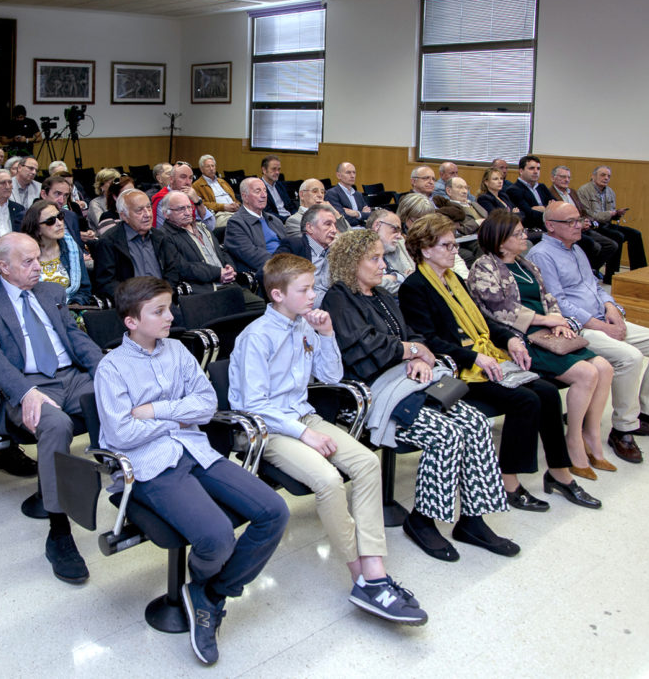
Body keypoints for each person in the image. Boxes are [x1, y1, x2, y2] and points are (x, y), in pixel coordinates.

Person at [94, 276, 289, 665]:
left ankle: (209, 592)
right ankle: (206, 590)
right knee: (217, 538)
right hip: (151, 466)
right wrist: (176, 419)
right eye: (159, 311)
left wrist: (157, 411)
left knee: (274, 512)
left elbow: (204, 405)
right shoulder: (111, 369)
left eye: (169, 308)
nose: (170, 316)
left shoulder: (179, 351)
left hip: (196, 451)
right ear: (131, 321)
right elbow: (121, 432)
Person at [230, 253, 428, 623]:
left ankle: (374, 568)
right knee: (328, 480)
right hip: (268, 428)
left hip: (303, 415)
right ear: (276, 295)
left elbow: (331, 375)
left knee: (367, 464)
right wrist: (305, 434)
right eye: (304, 290)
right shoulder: (255, 337)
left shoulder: (306, 326)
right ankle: (362, 577)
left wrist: (326, 335)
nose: (312, 296)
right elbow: (255, 405)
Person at [321, 230, 521, 561]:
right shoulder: (338, 298)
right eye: (374, 258)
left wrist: (416, 354)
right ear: (350, 262)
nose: (383, 264)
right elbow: (363, 349)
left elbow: (411, 335)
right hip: (371, 393)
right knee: (446, 433)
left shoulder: (383, 296)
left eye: (382, 256)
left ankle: (473, 519)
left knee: (475, 423)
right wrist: (412, 350)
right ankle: (423, 521)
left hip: (409, 383)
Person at [399, 213, 601, 514]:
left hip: (484, 359)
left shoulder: (455, 280)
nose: (455, 251)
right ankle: (509, 483)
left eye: (455, 245)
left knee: (545, 391)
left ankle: (560, 473)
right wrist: (475, 356)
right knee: (525, 400)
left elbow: (485, 323)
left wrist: (509, 340)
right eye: (448, 246)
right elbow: (429, 340)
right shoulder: (415, 287)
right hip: (457, 370)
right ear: (426, 250)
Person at [0, 232, 103, 584]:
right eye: (29, 262)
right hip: (29, 384)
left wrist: (106, 372)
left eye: (38, 258)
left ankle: (144, 492)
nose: (38, 266)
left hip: (71, 376)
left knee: (121, 400)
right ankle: (59, 532)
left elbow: (75, 337)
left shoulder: (51, 293)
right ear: (3, 267)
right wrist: (25, 392)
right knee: (55, 425)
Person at [527, 201, 649, 464]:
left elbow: (596, 286)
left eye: (579, 219)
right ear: (551, 226)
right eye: (570, 222)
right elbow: (558, 303)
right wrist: (602, 326)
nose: (579, 225)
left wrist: (613, 307)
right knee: (630, 357)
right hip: (577, 327)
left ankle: (647, 416)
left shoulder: (576, 249)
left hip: (604, 319)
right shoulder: (542, 255)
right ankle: (623, 429)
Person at [466, 210, 617, 479]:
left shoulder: (526, 264)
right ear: (501, 241)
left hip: (547, 330)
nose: (525, 236)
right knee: (587, 373)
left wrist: (557, 320)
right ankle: (572, 442)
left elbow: (549, 297)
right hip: (518, 337)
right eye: (518, 234)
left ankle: (591, 435)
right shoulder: (484, 267)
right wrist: (545, 320)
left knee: (604, 367)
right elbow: (499, 311)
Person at [93, 189, 177, 297]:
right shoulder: (108, 242)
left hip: (163, 299)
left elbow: (172, 271)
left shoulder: (161, 237)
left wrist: (166, 293)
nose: (147, 214)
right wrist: (134, 299)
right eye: (139, 211)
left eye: (149, 208)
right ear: (124, 216)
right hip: (132, 304)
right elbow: (106, 283)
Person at [576, 166, 647, 282]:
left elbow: (611, 214)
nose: (606, 178)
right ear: (593, 176)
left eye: (608, 176)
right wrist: (610, 213)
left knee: (635, 234)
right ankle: (611, 274)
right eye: (602, 175)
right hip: (594, 225)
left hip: (606, 224)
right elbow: (589, 214)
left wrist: (617, 213)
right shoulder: (584, 191)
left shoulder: (610, 192)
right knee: (618, 236)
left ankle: (639, 270)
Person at [20, 199, 92, 305]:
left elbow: (84, 289)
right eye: (50, 221)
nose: (59, 223)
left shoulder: (71, 247)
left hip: (71, 308)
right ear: (37, 229)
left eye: (60, 217)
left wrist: (74, 306)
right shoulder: (23, 254)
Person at [275, 203, 339, 307]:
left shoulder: (336, 249)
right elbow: (269, 273)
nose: (334, 230)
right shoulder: (294, 246)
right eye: (328, 224)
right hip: (305, 306)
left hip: (334, 303)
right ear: (310, 227)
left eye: (335, 225)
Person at [223, 177, 288, 275]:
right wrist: (284, 264)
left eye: (265, 191)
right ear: (245, 197)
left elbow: (287, 244)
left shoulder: (274, 220)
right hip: (268, 271)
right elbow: (251, 255)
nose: (264, 195)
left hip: (287, 266)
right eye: (258, 191)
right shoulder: (236, 223)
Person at [151, 161, 215, 230]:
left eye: (190, 178)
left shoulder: (192, 196)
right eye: (183, 177)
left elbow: (210, 226)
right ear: (171, 179)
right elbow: (170, 231)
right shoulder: (163, 199)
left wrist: (198, 202)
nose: (188, 182)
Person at [368, 209, 413, 295]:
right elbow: (374, 285)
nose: (399, 236)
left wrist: (395, 277)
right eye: (395, 229)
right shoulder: (360, 250)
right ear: (377, 226)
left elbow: (412, 274)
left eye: (400, 231)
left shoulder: (398, 245)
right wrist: (401, 277)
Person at [506, 155, 553, 231]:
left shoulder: (542, 187)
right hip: (532, 230)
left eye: (538, 169)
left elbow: (557, 205)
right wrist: (549, 209)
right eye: (531, 168)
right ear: (521, 171)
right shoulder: (514, 190)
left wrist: (542, 208)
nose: (535, 171)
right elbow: (529, 215)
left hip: (548, 227)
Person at [192, 154, 240, 226]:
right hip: (219, 214)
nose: (211, 168)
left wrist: (237, 205)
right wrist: (223, 206)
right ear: (201, 169)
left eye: (213, 166)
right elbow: (202, 204)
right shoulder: (197, 185)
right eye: (208, 166)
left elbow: (234, 198)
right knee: (236, 223)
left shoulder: (222, 182)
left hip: (235, 211)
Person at [324, 162, 371, 227]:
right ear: (338, 175)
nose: (352, 176)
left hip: (362, 230)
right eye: (348, 172)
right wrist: (361, 216)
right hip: (344, 232)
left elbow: (370, 216)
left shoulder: (358, 194)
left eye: (354, 172)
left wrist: (356, 213)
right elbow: (341, 218)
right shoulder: (332, 193)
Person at [260, 155, 294, 221]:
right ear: (264, 170)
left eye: (278, 169)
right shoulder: (259, 187)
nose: (277, 172)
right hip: (276, 222)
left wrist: (295, 217)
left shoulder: (280, 185)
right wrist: (288, 220)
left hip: (290, 220)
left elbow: (291, 205)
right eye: (274, 169)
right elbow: (267, 213)